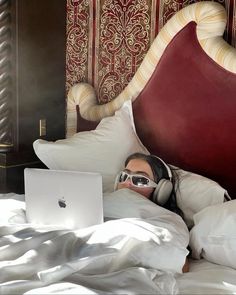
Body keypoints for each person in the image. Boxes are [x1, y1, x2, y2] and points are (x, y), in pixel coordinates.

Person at [115, 152, 189, 273]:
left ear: (161, 190)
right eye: (124, 176)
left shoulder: (167, 220)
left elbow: (181, 263)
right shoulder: (98, 200)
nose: (126, 183)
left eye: (140, 180)